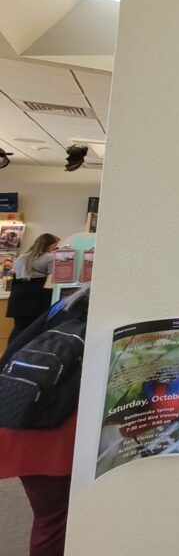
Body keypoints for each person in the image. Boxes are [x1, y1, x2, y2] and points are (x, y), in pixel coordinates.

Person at [0, 286, 88, 556]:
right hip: (58, 432)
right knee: (61, 522)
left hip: (19, 415)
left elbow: (11, 351)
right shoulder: (105, 314)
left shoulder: (65, 305)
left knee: (50, 521)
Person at [6, 234, 59, 341]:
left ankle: (11, 353)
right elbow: (51, 279)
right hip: (37, 295)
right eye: (56, 246)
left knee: (19, 327)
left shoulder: (22, 257)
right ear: (51, 245)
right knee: (36, 328)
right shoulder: (50, 257)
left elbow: (15, 275)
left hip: (18, 293)